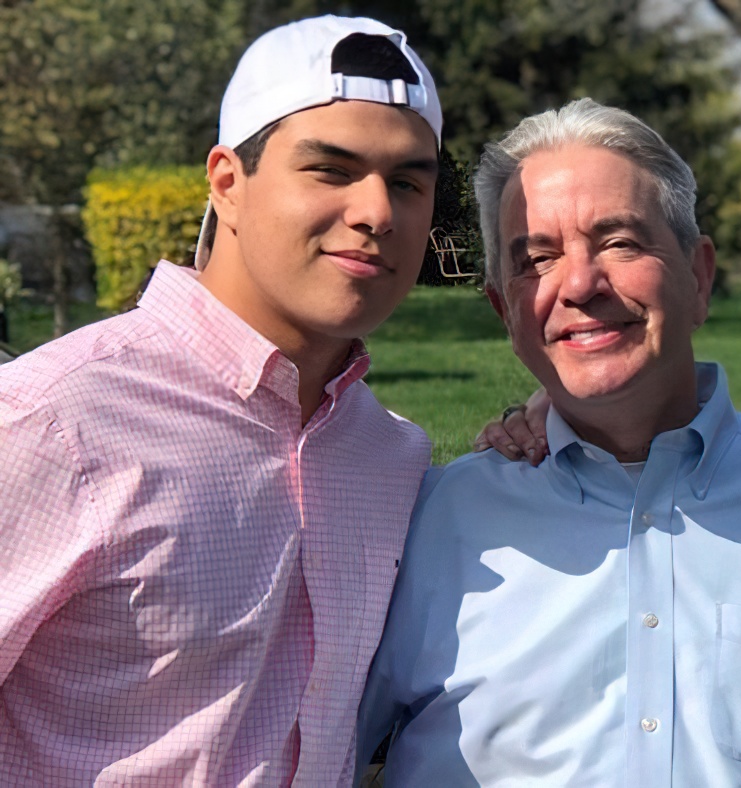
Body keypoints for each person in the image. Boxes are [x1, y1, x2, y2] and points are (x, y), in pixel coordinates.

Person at [356, 98, 741, 786]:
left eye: (619, 242)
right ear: (504, 311)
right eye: (537, 258)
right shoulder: (426, 528)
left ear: (698, 277)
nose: (578, 284)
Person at [0, 15, 441, 784]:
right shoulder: (53, 421)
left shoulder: (392, 457)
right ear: (228, 184)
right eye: (331, 170)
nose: (377, 212)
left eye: (407, 181)